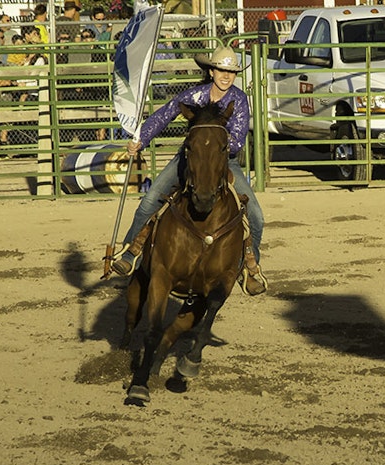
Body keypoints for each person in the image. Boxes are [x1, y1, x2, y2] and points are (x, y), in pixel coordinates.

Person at [108, 46, 267, 296]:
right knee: (150, 199)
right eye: (221, 70)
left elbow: (237, 138)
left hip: (223, 161)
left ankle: (249, 266)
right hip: (189, 159)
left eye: (231, 72)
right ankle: (130, 252)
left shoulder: (239, 100)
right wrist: (141, 139)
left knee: (256, 216)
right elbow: (164, 115)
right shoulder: (194, 96)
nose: (226, 76)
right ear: (211, 71)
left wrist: (213, 144)